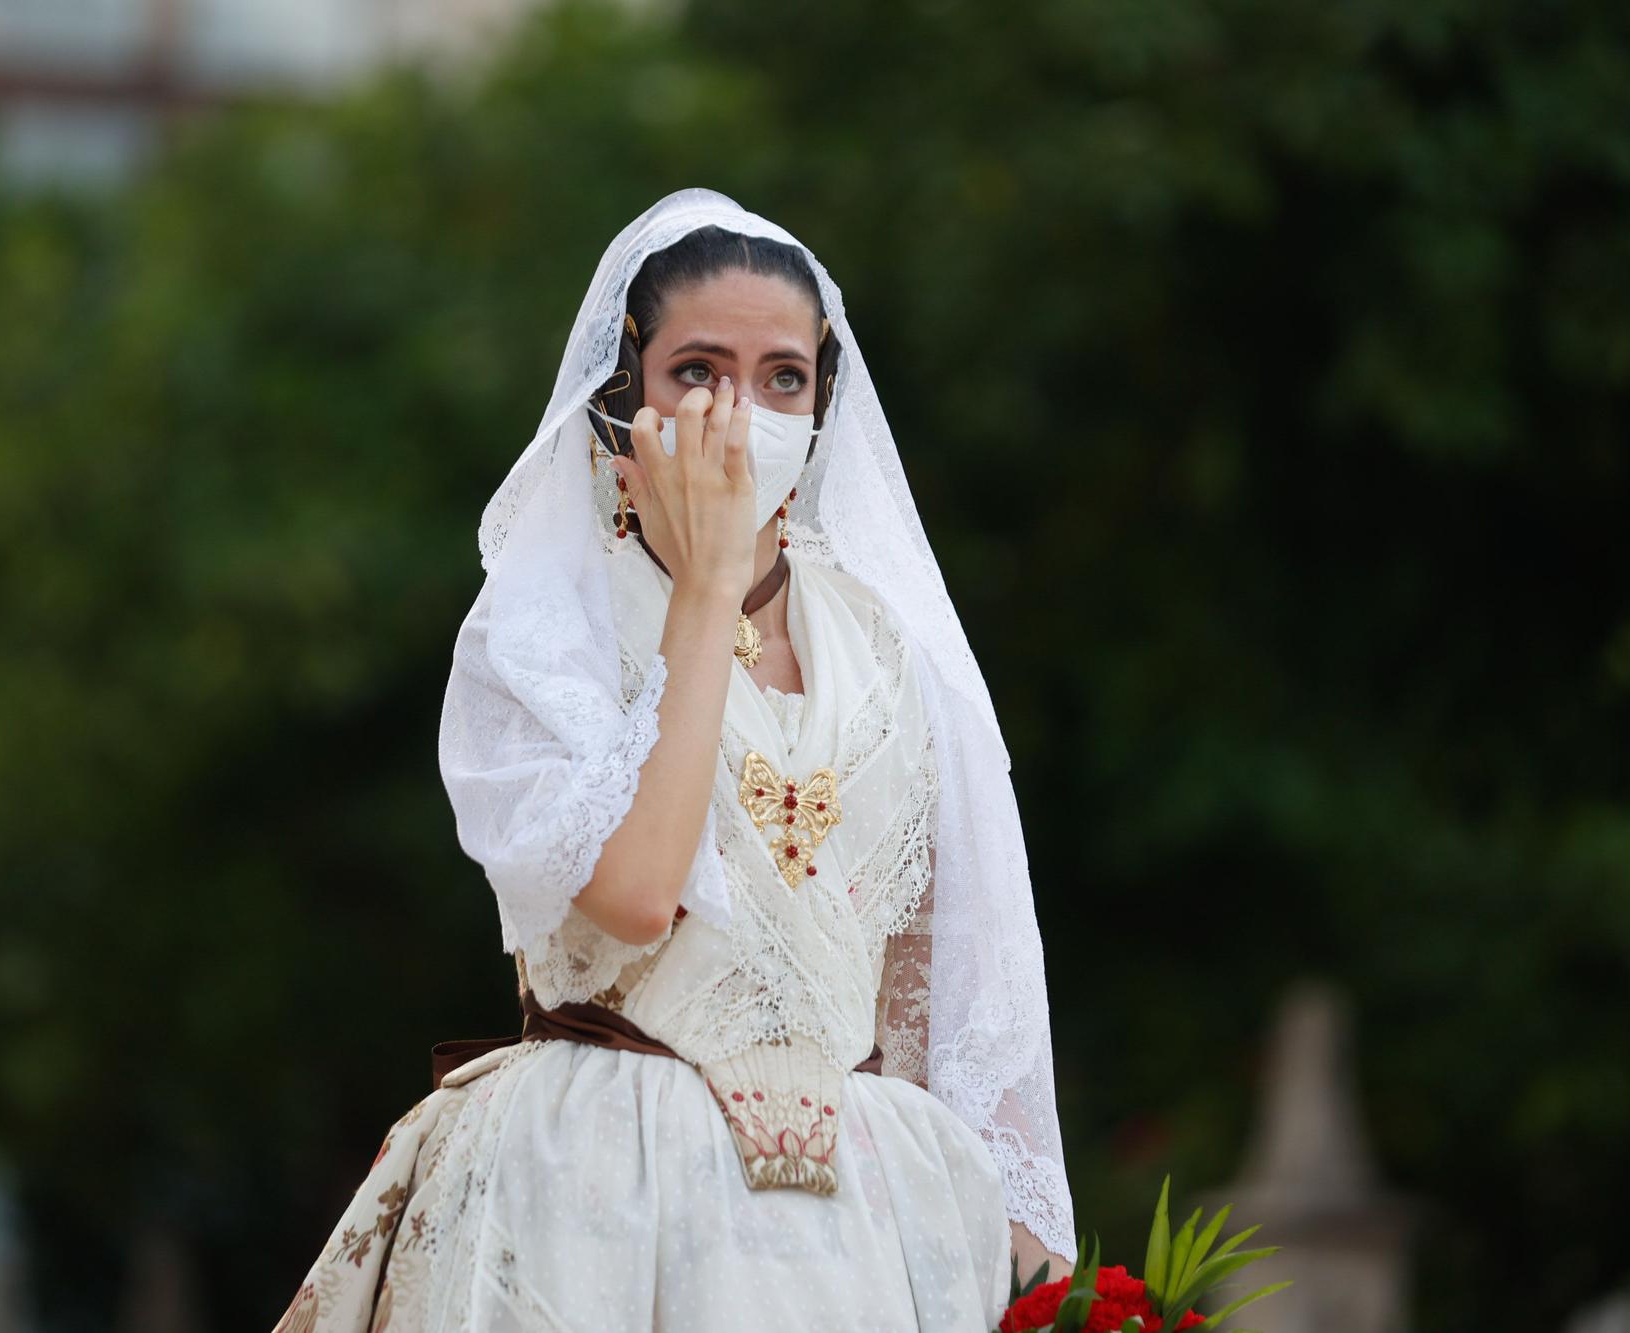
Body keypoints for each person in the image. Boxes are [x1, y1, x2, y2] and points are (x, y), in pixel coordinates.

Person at [271, 188, 1074, 1331]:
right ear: (621, 397)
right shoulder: (544, 630)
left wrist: (1021, 1261)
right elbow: (638, 894)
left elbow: (935, 995)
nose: (739, 411)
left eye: (782, 376)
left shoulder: (888, 651)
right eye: (697, 370)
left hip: (862, 1211)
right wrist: (701, 586)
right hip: (599, 1192)